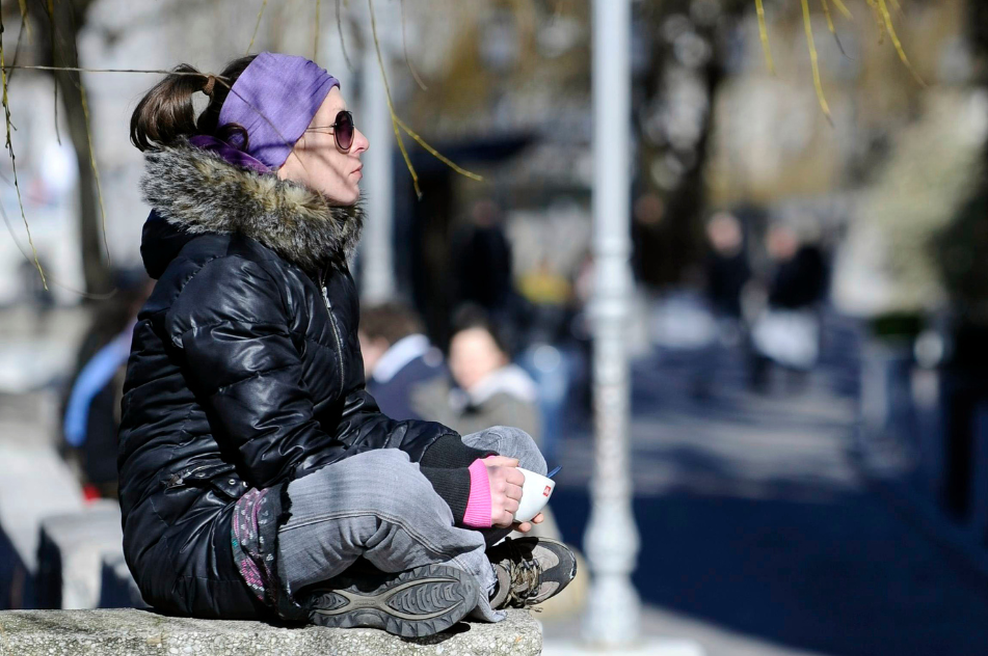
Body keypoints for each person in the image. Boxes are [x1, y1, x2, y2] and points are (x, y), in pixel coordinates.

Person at [117, 53, 575, 638]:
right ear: (281, 147)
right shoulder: (224, 270)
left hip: (296, 505)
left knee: (511, 449)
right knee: (386, 489)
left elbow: (353, 420)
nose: (359, 142)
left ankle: (382, 588)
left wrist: (454, 462)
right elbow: (285, 451)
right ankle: (479, 579)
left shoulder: (319, 268)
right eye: (340, 127)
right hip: (210, 535)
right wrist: (453, 490)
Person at [359, 302, 443, 420]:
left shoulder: (384, 395)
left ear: (378, 345)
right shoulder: (441, 365)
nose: (354, 353)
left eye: (359, 345)